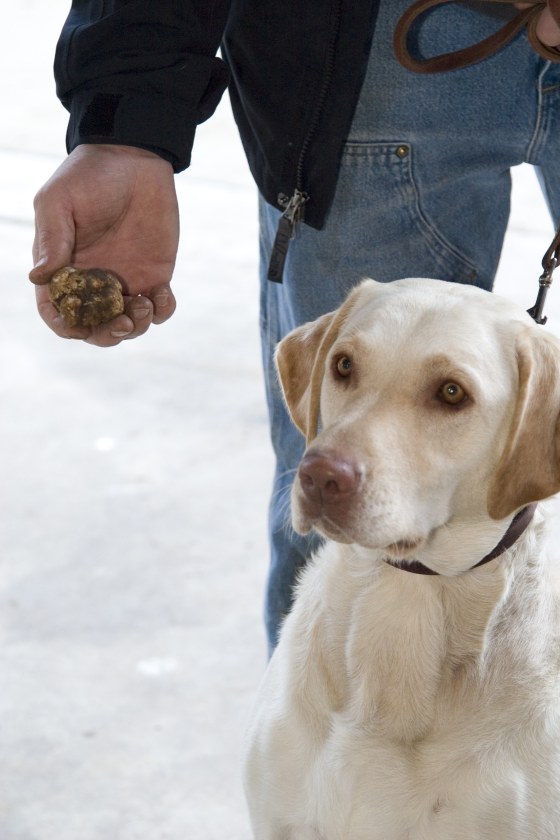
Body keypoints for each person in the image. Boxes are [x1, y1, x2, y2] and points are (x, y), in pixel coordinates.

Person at [30, 1, 560, 651]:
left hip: (379, 62)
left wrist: (125, 118)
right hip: (381, 44)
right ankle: (310, 750)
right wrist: (125, 121)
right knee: (337, 517)